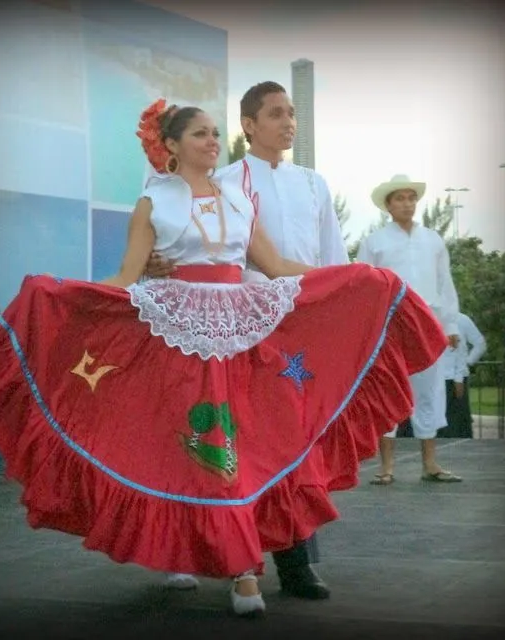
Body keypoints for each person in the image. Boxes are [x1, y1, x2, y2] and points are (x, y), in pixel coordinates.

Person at [0, 101, 448, 618]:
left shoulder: (239, 198)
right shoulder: (153, 202)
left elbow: (275, 266)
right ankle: (240, 573)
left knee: (244, 443)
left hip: (241, 331)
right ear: (170, 145)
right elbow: (126, 277)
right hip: (178, 335)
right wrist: (61, 293)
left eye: (215, 134)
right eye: (199, 134)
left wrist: (349, 281)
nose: (213, 141)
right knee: (195, 448)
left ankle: (244, 568)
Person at [145, 81, 349, 600]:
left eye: (292, 114)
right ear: (250, 125)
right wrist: (154, 262)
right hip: (236, 333)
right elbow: (176, 239)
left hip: (300, 326)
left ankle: (296, 563)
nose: (288, 123)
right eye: (276, 114)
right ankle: (225, 556)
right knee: (229, 442)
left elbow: (330, 260)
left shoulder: (313, 184)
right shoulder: (226, 182)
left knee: (293, 443)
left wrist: (351, 291)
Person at [357, 174, 463, 485]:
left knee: (429, 390)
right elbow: (363, 287)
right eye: (400, 198)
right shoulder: (374, 242)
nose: (407, 203)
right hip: (391, 323)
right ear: (388, 205)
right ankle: (386, 466)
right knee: (388, 390)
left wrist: (450, 324)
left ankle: (430, 463)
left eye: (411, 198)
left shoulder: (433, 240)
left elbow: (446, 284)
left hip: (429, 322)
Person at [438, 312, 487, 438]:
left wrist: (467, 363)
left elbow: (479, 344)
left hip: (453, 378)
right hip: (440, 377)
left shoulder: (460, 320)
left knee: (454, 423)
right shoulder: (434, 317)